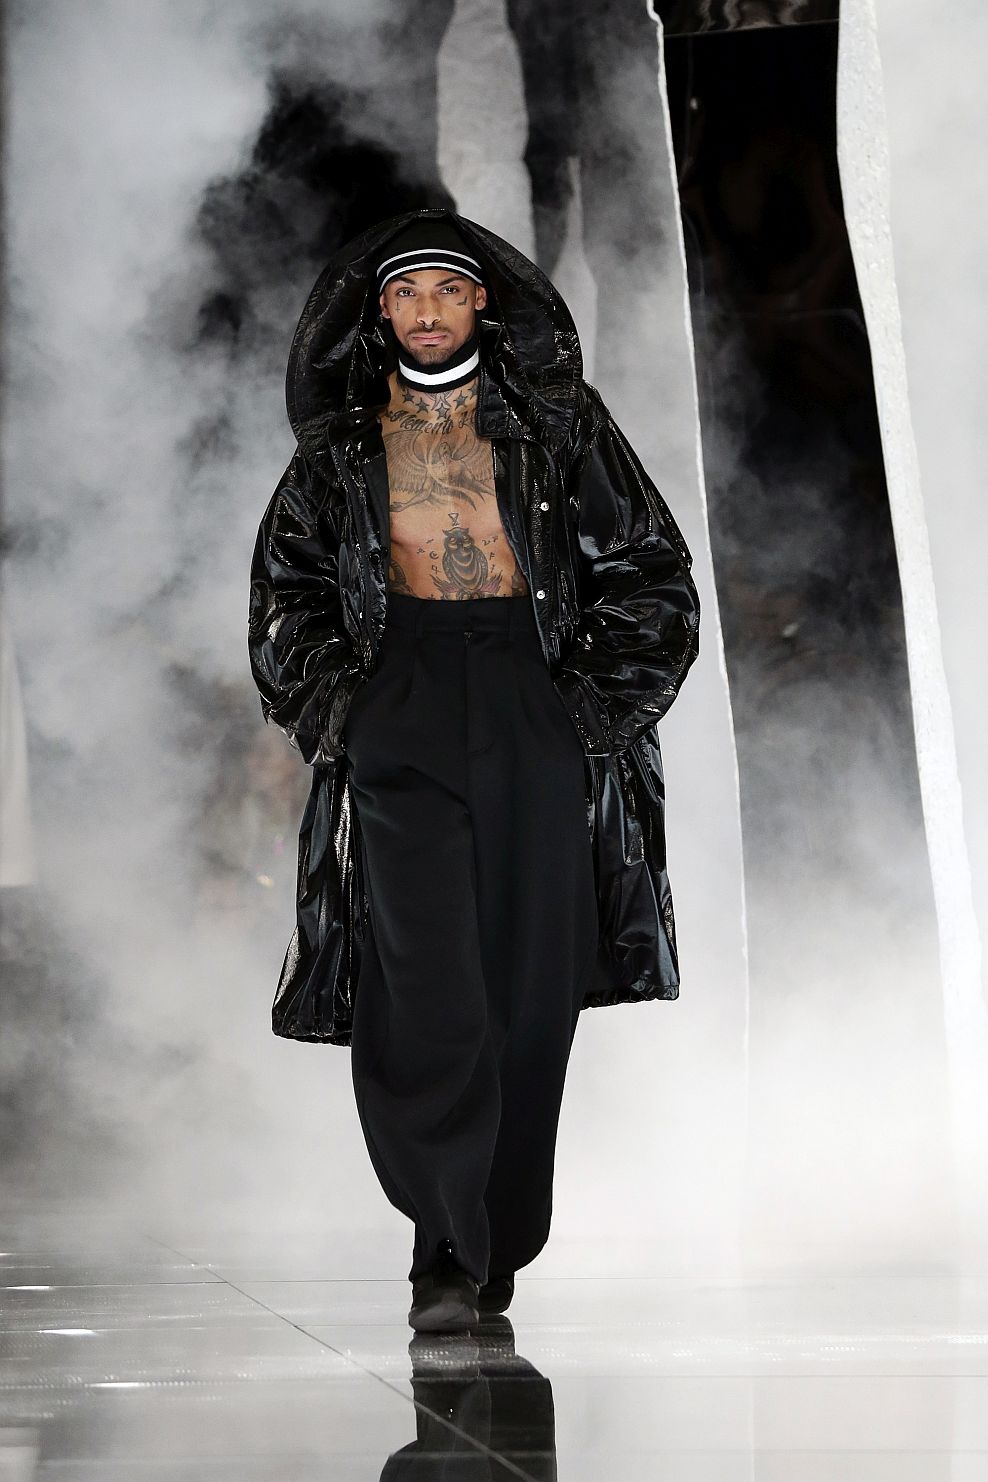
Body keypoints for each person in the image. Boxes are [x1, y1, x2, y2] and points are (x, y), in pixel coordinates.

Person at [248, 208, 700, 1333]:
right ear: (379, 309)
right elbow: (287, 596)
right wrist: (346, 709)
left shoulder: (559, 422)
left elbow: (648, 566)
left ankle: (494, 1230)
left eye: (448, 290)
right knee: (423, 977)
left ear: (482, 300)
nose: (428, 312)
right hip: (399, 693)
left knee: (530, 982)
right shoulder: (341, 445)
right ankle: (441, 1244)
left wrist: (584, 712)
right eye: (407, 293)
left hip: (530, 692)